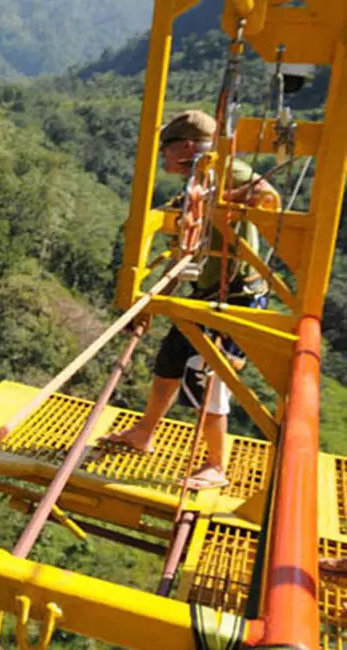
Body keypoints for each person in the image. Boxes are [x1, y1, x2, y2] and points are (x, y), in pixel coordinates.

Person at [103, 110, 281, 490]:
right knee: (170, 359)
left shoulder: (224, 171)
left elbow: (268, 196)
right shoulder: (199, 181)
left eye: (165, 150)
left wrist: (220, 204)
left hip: (238, 298)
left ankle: (217, 465)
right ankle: (145, 432)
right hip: (208, 290)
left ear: (184, 147)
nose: (162, 159)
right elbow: (178, 252)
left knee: (207, 376)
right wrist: (153, 303)